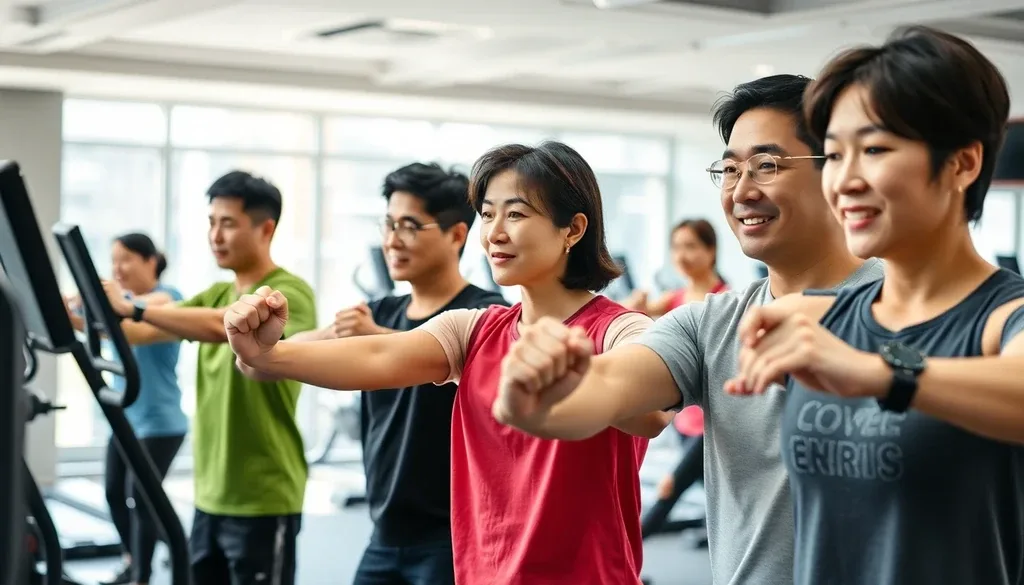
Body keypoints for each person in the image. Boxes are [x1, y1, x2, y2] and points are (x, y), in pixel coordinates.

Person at [489, 75, 885, 585]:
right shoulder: (709, 323)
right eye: (729, 170)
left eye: (767, 166)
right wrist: (546, 395)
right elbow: (608, 387)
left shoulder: (919, 309)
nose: (742, 190)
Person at [223, 141, 672, 585]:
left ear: (572, 229)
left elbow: (649, 414)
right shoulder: (474, 329)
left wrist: (575, 378)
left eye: (515, 214)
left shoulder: (622, 330)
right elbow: (378, 354)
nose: (495, 232)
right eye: (488, 214)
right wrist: (269, 353)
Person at [726, 26, 1024, 585]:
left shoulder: (1004, 318)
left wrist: (883, 372)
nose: (845, 181)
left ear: (961, 164)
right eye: (836, 155)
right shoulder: (822, 318)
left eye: (876, 150)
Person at [285, 162, 508, 584]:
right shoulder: (382, 309)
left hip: (452, 538)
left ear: (456, 235)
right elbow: (285, 357)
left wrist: (376, 336)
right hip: (384, 534)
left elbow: (453, 365)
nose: (391, 240)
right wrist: (261, 346)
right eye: (387, 224)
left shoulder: (485, 312)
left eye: (408, 226)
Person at [101, 171, 317, 585]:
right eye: (211, 222)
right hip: (210, 494)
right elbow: (140, 332)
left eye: (228, 223)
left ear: (265, 228)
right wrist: (81, 310)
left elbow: (223, 326)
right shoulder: (217, 293)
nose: (215, 235)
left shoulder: (289, 291)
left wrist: (136, 307)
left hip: (263, 497)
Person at [68, 233, 188, 585]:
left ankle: (141, 575)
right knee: (113, 492)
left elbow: (132, 315)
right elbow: (105, 328)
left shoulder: (170, 299)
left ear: (151, 261)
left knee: (143, 498)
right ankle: (136, 557)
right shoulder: (122, 304)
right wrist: (65, 309)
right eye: (113, 261)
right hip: (126, 418)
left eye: (125, 259)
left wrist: (99, 299)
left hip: (162, 424)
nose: (117, 268)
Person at [624, 218, 728, 318]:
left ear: (711, 251)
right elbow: (637, 309)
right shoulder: (673, 297)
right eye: (676, 247)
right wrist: (638, 303)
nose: (680, 257)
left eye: (690, 246)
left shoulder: (725, 300)